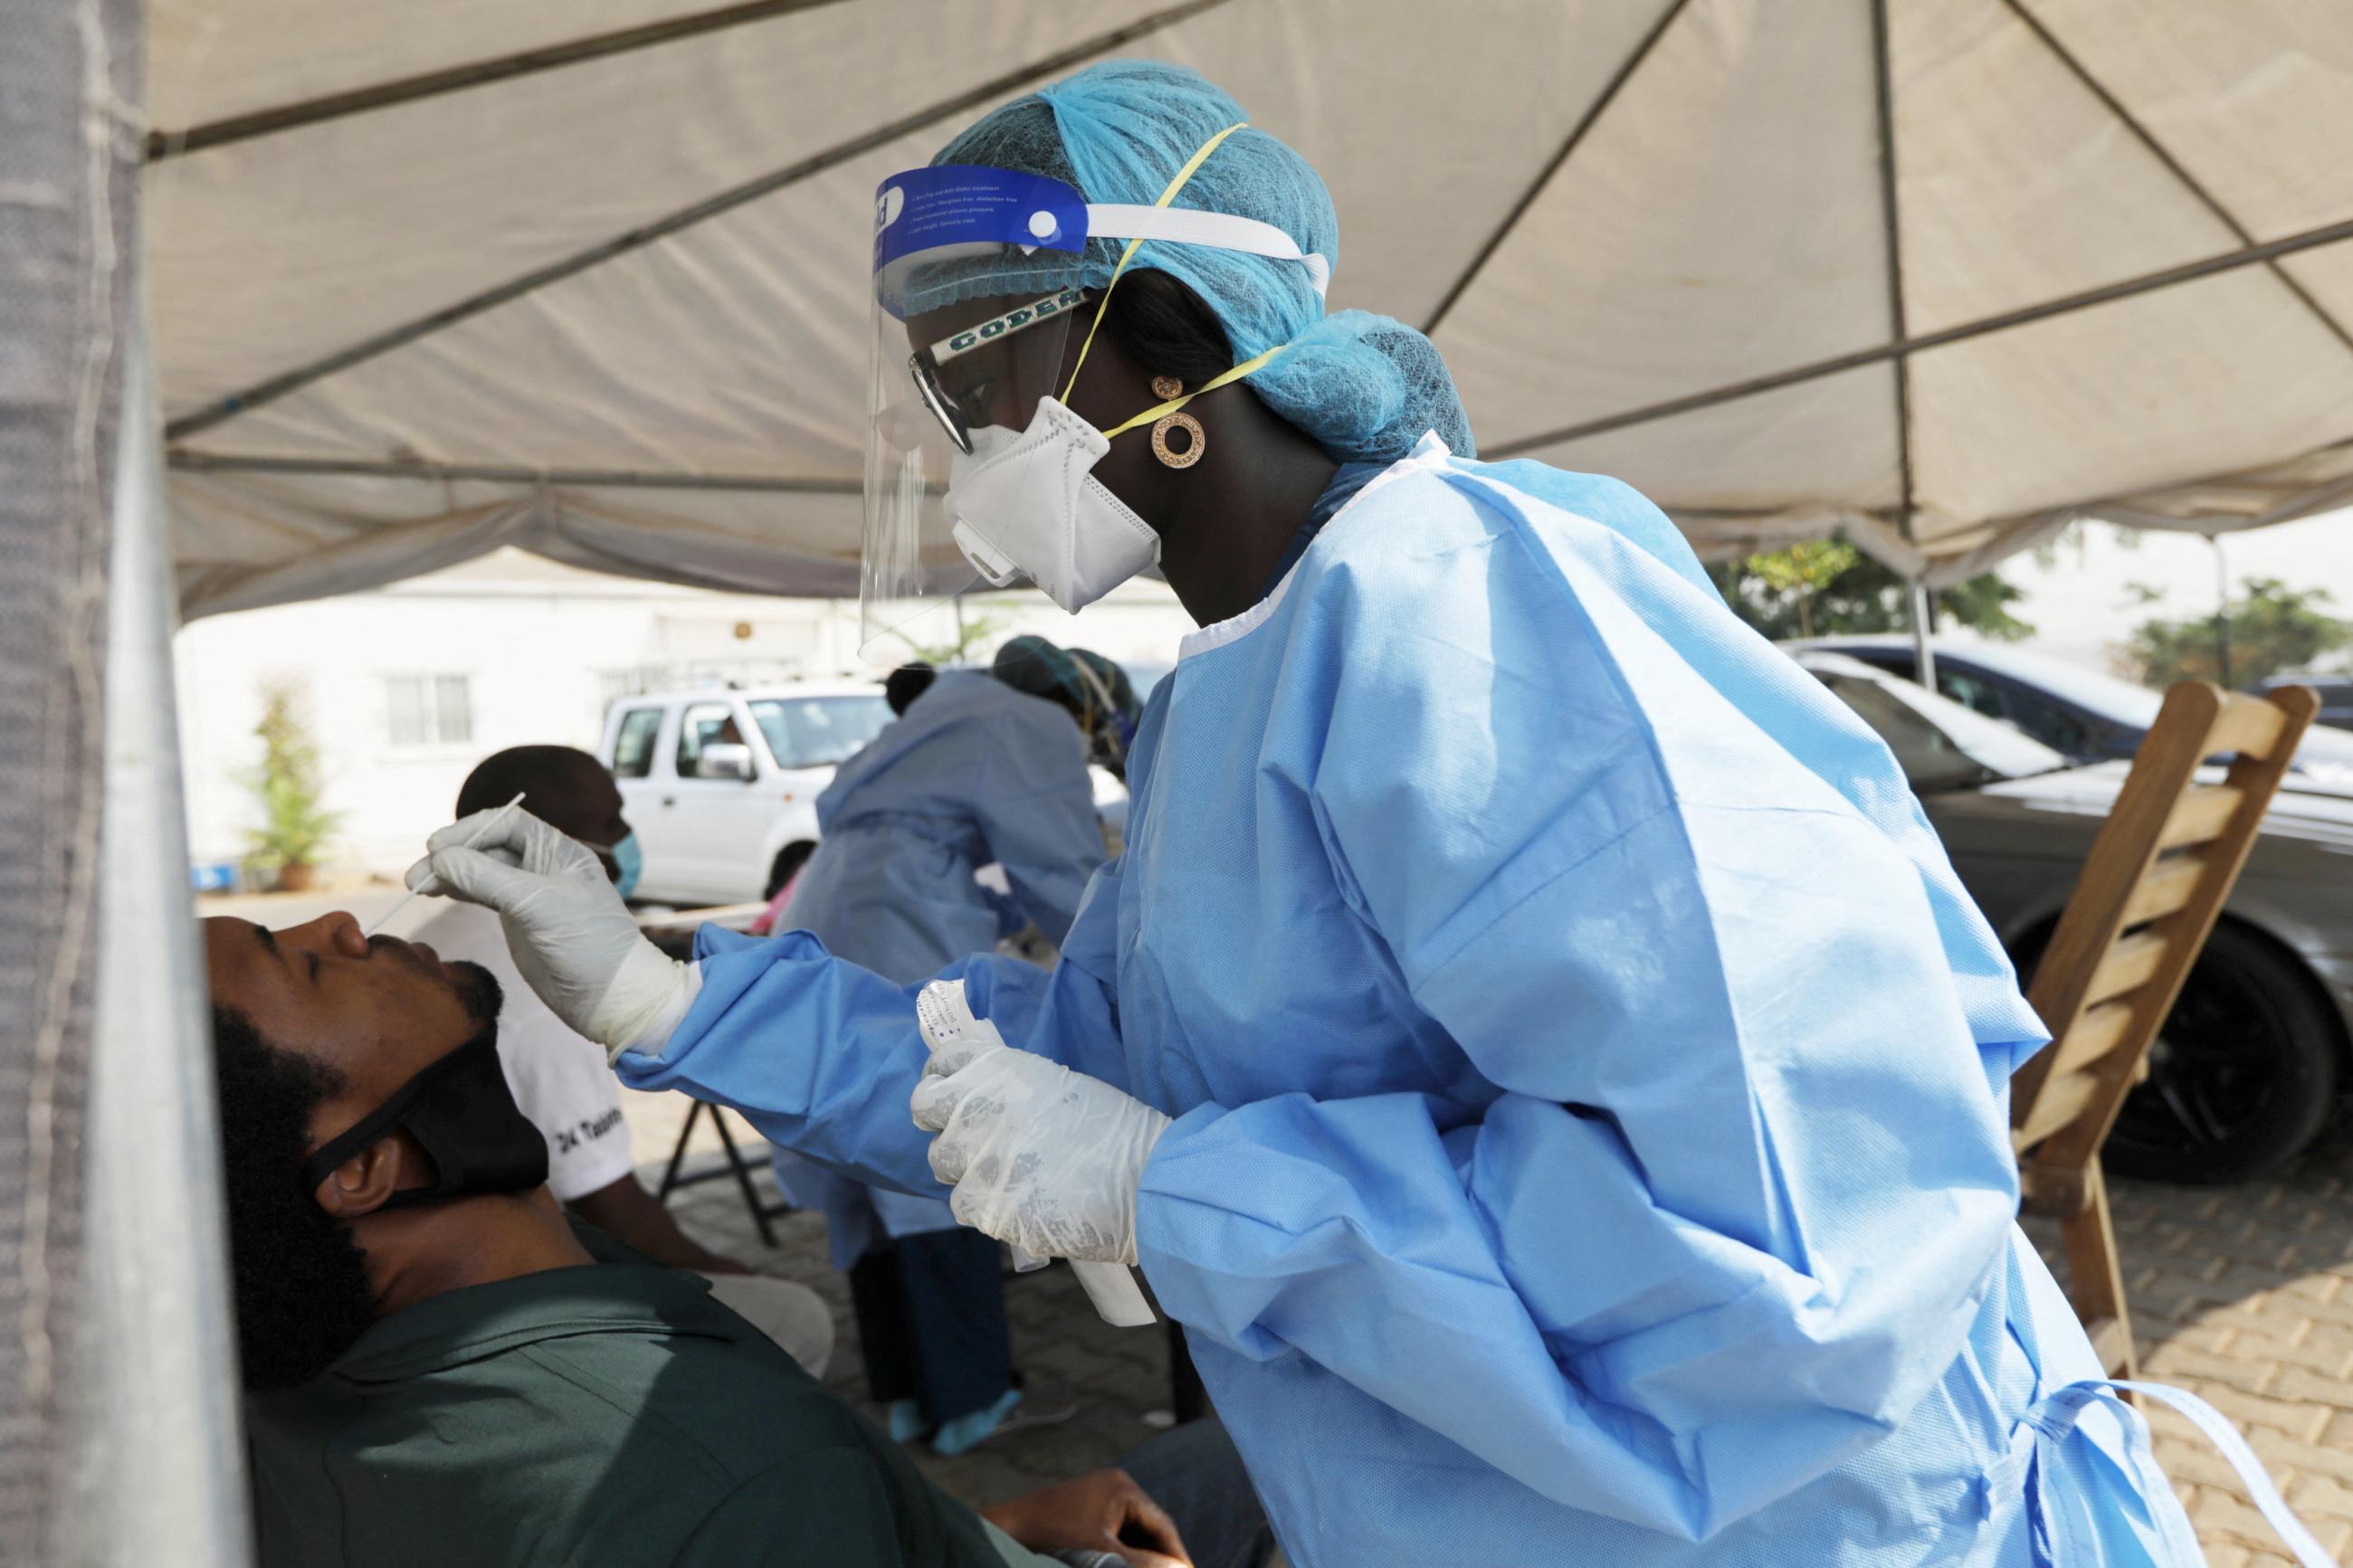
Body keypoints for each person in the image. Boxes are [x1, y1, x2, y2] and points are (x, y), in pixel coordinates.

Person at [406, 60, 2310, 1568]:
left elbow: (1771, 1247)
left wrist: (1182, 1188)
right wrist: (665, 1003)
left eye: (977, 380)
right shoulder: (1231, 689)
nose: (961, 447)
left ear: (1154, 339)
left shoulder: (1474, 607)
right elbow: (1084, 1062)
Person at [205, 910, 1276, 1568]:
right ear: (357, 1167)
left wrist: (981, 1516)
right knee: (1280, 1466)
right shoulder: (710, 1453)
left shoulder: (294, 1395)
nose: (337, 923)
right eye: (296, 964)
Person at [773, 653, 1109, 1454]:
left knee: (864, 1156)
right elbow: (1063, 872)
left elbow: (929, 839)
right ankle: (971, 1397)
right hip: (898, 929)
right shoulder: (1028, 718)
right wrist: (1129, 961)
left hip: (839, 910)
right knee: (944, 1157)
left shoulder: (941, 716)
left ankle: (908, 1394)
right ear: (1074, 703)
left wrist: (981, 900)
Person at [407, 746, 830, 1362]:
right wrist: (726, 1273)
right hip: (495, 1301)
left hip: (439, 1274)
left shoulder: (425, 941)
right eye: (611, 823)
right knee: (792, 1320)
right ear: (543, 837)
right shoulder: (540, 979)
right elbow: (608, 1204)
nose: (628, 839)